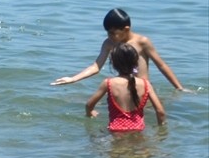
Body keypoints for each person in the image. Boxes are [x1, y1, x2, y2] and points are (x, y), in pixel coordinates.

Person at [51, 8, 187, 91]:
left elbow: (162, 65)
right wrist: (73, 79)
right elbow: (96, 66)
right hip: (122, 88)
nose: (109, 36)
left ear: (126, 29)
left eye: (112, 33)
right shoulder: (109, 43)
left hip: (142, 89)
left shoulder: (142, 42)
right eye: (107, 33)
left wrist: (179, 88)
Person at [85, 44, 166, 132]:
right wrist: (161, 131)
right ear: (136, 62)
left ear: (113, 63)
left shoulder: (108, 83)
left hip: (115, 132)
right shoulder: (145, 84)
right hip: (138, 132)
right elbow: (160, 112)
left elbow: (89, 105)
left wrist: (90, 113)